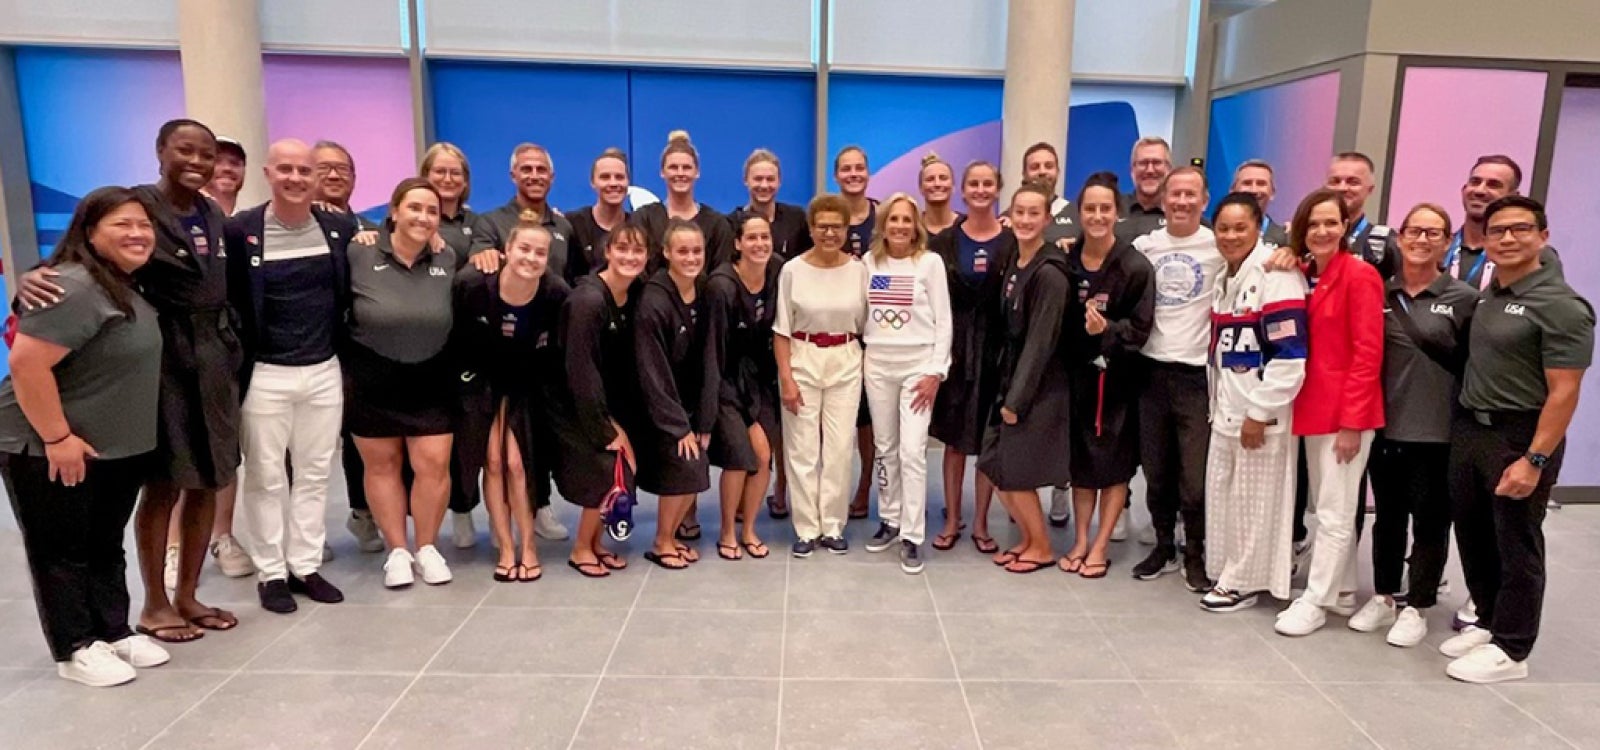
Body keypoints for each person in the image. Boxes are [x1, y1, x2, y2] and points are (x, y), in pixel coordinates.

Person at [21, 119, 244, 642]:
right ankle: (156, 605)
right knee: (164, 481)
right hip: (160, 360)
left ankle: (189, 595)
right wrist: (29, 279)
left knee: (210, 479)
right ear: (160, 152)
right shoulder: (138, 207)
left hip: (212, 358)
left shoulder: (211, 211)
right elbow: (79, 260)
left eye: (206, 154)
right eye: (184, 150)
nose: (197, 161)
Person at [0, 187, 170, 686]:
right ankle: (74, 647)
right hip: (50, 447)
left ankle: (112, 630)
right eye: (123, 224)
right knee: (62, 549)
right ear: (89, 233)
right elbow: (27, 362)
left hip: (110, 446)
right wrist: (57, 438)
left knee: (103, 542)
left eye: (144, 225)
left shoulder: (121, 283)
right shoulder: (72, 286)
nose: (138, 233)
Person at [1440, 196, 1593, 683]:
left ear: (1542, 237)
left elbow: (1565, 391)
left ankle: (1513, 647)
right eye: (1497, 231)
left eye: (1520, 229)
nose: (1507, 238)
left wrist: (1535, 459)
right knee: (1474, 534)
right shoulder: (1491, 294)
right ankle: (1487, 619)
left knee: (1517, 541)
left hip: (1521, 434)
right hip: (1471, 429)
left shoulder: (1562, 306)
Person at [224, 139, 352, 613]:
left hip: (323, 369)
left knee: (316, 472)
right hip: (265, 374)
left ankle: (305, 564)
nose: (296, 178)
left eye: (305, 170)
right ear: (268, 173)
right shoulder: (240, 231)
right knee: (265, 475)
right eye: (286, 170)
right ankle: (271, 572)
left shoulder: (338, 228)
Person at [1347, 203, 1476, 644]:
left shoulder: (1464, 300)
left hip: (1438, 432)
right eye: (1414, 231)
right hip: (1385, 428)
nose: (1422, 240)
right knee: (1387, 518)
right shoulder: (1379, 292)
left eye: (1433, 233)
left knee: (1431, 522)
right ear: (1399, 238)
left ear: (1447, 242)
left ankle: (1418, 606)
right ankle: (1384, 597)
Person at [1275, 188, 1386, 637]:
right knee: (1325, 504)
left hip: (1345, 414)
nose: (1322, 231)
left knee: (1336, 511)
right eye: (1313, 224)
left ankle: (1315, 600)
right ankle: (1342, 591)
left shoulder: (1360, 276)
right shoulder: (1307, 274)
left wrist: (1352, 422)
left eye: (1331, 223)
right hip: (1313, 408)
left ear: (1345, 227)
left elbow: (1368, 353)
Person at [345, 178, 458, 589]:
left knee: (432, 464)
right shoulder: (360, 250)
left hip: (432, 375)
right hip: (373, 375)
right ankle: (397, 551)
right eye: (414, 208)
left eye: (431, 211)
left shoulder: (449, 256)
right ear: (393, 211)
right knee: (382, 465)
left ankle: (427, 548)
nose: (423, 217)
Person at [1198, 192, 1308, 613]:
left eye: (1239, 227)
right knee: (1225, 496)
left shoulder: (1276, 275)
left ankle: (1243, 582)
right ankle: (1225, 568)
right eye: (1223, 228)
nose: (1230, 235)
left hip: (1259, 414)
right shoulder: (1224, 278)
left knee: (1254, 502)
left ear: (1259, 227)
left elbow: (1290, 355)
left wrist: (1260, 413)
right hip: (1225, 406)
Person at [452, 213, 570, 583]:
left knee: (519, 466)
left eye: (540, 253)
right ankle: (505, 547)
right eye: (524, 249)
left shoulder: (555, 294)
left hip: (527, 386)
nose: (531, 258)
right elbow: (457, 343)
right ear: (506, 250)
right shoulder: (472, 285)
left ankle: (529, 547)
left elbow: (556, 355)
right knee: (494, 463)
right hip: (481, 384)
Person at [1130, 166, 1224, 591]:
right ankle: (1164, 546)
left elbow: (1265, 256)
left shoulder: (1219, 245)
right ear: (1163, 200)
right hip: (1150, 372)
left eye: (1191, 195)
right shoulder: (1145, 245)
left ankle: (1195, 554)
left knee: (1194, 477)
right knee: (1156, 470)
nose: (1182, 202)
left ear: (1204, 200)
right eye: (1175, 194)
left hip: (1195, 377)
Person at [1057, 173, 1154, 579]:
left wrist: (1108, 331)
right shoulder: (1067, 258)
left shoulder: (1134, 266)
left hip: (1118, 383)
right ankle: (1080, 538)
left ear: (1118, 213)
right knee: (1081, 464)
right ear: (1079, 213)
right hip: (1076, 380)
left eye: (1105, 208)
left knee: (1113, 467)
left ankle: (1101, 544)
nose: (1097, 215)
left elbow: (1140, 329)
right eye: (1090, 208)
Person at [977, 180, 1070, 574]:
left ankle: (1042, 547)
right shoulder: (1015, 260)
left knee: (1014, 472)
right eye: (1020, 212)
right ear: (1009, 216)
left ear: (1047, 218)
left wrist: (1016, 400)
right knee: (993, 464)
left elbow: (1040, 343)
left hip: (1036, 387)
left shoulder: (1050, 274)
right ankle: (1030, 541)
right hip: (1009, 378)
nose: (1027, 220)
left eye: (1035, 213)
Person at [860, 193, 952, 575]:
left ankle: (913, 535)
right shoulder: (869, 263)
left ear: (916, 225)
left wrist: (936, 371)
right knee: (885, 448)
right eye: (892, 219)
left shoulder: (930, 264)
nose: (899, 226)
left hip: (918, 366)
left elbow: (945, 321)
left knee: (913, 451)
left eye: (906, 220)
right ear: (882, 225)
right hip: (878, 364)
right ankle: (891, 519)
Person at [551, 224, 650, 578]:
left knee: (618, 469)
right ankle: (580, 549)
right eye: (622, 249)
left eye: (638, 251)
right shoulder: (588, 301)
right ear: (607, 252)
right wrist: (606, 429)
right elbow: (580, 372)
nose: (629, 257)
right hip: (570, 400)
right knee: (605, 467)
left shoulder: (633, 292)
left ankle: (596, 544)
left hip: (601, 398)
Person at [775, 194, 869, 557]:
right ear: (811, 229)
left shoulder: (859, 270)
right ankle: (806, 528)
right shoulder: (792, 270)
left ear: (847, 230)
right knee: (801, 447)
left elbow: (865, 324)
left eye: (837, 226)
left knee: (840, 447)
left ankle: (832, 524)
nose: (830, 233)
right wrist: (786, 376)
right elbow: (781, 329)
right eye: (822, 226)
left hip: (845, 359)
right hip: (802, 358)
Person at [929, 162, 1012, 554]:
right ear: (963, 191)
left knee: (989, 440)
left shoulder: (1012, 241)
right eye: (973, 183)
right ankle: (951, 519)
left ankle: (980, 522)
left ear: (997, 189)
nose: (980, 189)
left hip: (997, 352)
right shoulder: (944, 241)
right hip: (956, 350)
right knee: (954, 440)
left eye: (987, 183)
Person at [634, 220, 716, 569]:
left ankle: (669, 536)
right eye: (682, 251)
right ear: (666, 253)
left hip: (690, 405)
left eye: (697, 250)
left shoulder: (704, 292)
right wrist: (678, 426)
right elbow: (652, 372)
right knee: (688, 465)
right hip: (655, 408)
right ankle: (662, 541)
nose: (691, 257)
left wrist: (704, 416)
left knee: (697, 468)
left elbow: (709, 359)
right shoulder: (653, 301)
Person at [705, 214, 782, 560]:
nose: (759, 244)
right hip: (724, 382)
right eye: (751, 238)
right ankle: (726, 532)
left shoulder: (777, 272)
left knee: (764, 459)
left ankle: (749, 529)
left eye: (765, 237)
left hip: (760, 382)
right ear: (737, 244)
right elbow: (713, 354)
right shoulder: (722, 286)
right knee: (740, 457)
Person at [198, 135, 251, 581]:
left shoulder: (244, 224)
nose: (226, 170)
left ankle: (221, 535)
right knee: (185, 451)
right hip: (188, 351)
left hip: (236, 350)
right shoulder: (175, 217)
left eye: (236, 163)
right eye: (220, 162)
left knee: (226, 448)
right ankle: (177, 546)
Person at [834, 145, 879, 520]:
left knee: (868, 421)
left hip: (879, 329)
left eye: (859, 168)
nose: (853, 174)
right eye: (846, 169)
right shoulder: (827, 217)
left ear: (868, 173)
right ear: (837, 176)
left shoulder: (882, 217)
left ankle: (865, 487)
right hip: (838, 329)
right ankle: (830, 491)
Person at [469, 143, 578, 283]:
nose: (534, 176)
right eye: (527, 169)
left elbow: (573, 280)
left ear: (552, 177)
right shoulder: (490, 223)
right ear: (513, 176)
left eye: (541, 170)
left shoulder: (564, 227)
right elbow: (476, 269)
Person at [634, 131, 735, 279]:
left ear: (697, 172)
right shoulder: (644, 219)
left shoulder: (716, 224)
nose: (680, 173)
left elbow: (721, 277)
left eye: (686, 167)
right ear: (662, 172)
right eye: (673, 167)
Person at [1324, 152, 1399, 278]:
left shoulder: (1386, 242)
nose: (1342, 188)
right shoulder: (1307, 236)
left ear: (1370, 189)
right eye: (1335, 181)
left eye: (1353, 182)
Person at [731, 148, 812, 264]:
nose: (764, 185)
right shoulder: (731, 224)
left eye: (770, 179)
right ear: (746, 180)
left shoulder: (797, 218)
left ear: (779, 181)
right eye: (758, 179)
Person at [567, 148, 633, 279]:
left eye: (619, 177)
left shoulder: (637, 226)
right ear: (593, 182)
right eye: (605, 177)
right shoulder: (572, 224)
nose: (613, 183)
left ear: (628, 181)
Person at [1020, 141, 1081, 246]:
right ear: (1024, 174)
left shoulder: (1077, 214)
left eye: (1048, 166)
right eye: (1035, 167)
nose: (1042, 171)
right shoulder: (1011, 217)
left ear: (1057, 171)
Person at [312, 140, 378, 231]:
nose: (333, 176)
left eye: (342, 169)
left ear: (353, 179)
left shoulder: (374, 233)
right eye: (323, 168)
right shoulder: (293, 226)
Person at [1119, 136, 1173, 241]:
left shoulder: (1181, 213)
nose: (1150, 170)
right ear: (1132, 170)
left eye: (1157, 163)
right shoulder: (1112, 209)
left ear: (1169, 169)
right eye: (1143, 163)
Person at [1230, 159, 1289, 247]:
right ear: (1232, 191)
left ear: (1272, 193)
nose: (1254, 190)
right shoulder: (1213, 235)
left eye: (1261, 183)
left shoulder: (1287, 240)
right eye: (1247, 183)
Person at [918, 153, 961, 236]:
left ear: (953, 186)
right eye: (930, 179)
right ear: (920, 188)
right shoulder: (912, 228)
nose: (937, 184)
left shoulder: (967, 226)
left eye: (943, 178)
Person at [206, 136, 246, 217]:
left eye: (234, 163)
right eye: (217, 161)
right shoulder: (186, 217)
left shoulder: (250, 223)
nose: (227, 168)